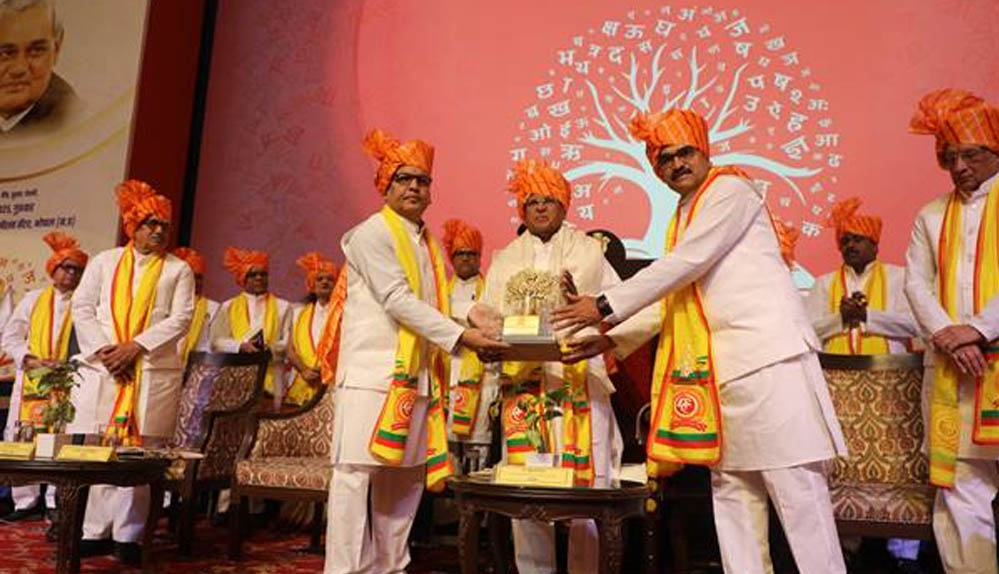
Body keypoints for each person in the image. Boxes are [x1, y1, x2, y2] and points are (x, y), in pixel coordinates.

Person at [552, 108, 848, 573]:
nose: (676, 164)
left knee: (796, 491)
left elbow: (687, 263)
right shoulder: (684, 213)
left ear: (704, 150)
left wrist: (605, 305)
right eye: (664, 159)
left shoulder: (731, 190)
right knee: (732, 495)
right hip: (720, 372)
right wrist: (611, 339)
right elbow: (679, 295)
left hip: (771, 360)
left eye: (684, 152)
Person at [324, 128, 506, 574]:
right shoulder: (370, 234)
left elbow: (427, 306)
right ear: (385, 186)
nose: (413, 187)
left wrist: (469, 318)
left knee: (404, 480)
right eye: (403, 179)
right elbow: (397, 300)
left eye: (422, 180)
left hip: (417, 378)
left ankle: (390, 567)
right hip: (372, 377)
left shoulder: (424, 242)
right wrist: (463, 337)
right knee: (355, 477)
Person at [469, 158, 624, 574]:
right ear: (522, 209)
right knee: (526, 486)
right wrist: (487, 332)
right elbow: (486, 310)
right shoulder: (507, 257)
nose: (539, 207)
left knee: (586, 486)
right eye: (531, 201)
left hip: (578, 376)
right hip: (524, 382)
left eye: (548, 200)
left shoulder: (590, 251)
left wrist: (593, 324)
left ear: (564, 205)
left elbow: (622, 306)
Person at [70, 180, 194, 563]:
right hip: (107, 367)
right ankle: (95, 531)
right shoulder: (104, 262)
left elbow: (182, 318)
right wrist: (105, 351)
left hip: (150, 369)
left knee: (141, 453)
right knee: (100, 450)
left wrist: (135, 347)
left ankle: (130, 536)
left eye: (164, 225)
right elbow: (82, 307)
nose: (159, 230)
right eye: (150, 223)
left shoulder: (179, 269)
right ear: (132, 227)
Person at [906, 88, 999, 573]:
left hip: (990, 356)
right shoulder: (931, 214)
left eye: (971, 154)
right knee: (959, 487)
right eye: (949, 157)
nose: (959, 166)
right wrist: (948, 334)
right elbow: (915, 284)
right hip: (952, 371)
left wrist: (979, 330)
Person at [0, 231, 86, 529]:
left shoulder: (85, 303)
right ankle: (25, 501)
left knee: (59, 438)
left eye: (78, 270)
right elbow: (11, 336)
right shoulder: (34, 299)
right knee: (24, 436)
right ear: (53, 269)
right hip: (32, 379)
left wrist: (69, 363)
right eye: (67, 267)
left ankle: (53, 501)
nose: (72, 274)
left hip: (68, 380)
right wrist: (29, 359)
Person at [805, 197, 920, 355]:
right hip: (835, 366)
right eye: (845, 241)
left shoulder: (899, 277)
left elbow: (915, 324)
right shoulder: (824, 283)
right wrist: (841, 319)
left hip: (889, 366)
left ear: (875, 246)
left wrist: (866, 315)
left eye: (857, 239)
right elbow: (808, 330)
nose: (850, 245)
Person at [210, 247, 292, 409]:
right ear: (243, 278)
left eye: (263, 274)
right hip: (235, 378)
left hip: (271, 379)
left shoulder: (283, 306)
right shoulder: (228, 306)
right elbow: (216, 341)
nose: (259, 278)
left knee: (268, 420)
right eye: (253, 274)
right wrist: (240, 346)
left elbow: (288, 342)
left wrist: (270, 349)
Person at [441, 218, 494, 466]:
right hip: (447, 374)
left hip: (482, 378)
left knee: (477, 443)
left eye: (471, 253)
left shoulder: (491, 289)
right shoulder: (441, 291)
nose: (466, 258)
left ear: (480, 257)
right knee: (448, 444)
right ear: (451, 258)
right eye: (460, 253)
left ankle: (473, 485)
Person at [0, 0, 81, 136]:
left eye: (36, 51)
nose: (19, 69)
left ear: (56, 49)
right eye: (5, 53)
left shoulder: (69, 122)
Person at [286, 251, 340, 406]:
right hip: (303, 381)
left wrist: (326, 370)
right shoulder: (298, 312)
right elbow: (290, 350)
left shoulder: (344, 314)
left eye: (330, 279)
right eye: (319, 279)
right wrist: (304, 370)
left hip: (332, 383)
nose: (325, 282)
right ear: (312, 284)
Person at [172, 247, 219, 362]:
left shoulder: (214, 307)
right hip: (167, 363)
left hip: (199, 365)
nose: (196, 282)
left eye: (199, 277)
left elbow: (216, 341)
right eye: (191, 277)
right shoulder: (167, 302)